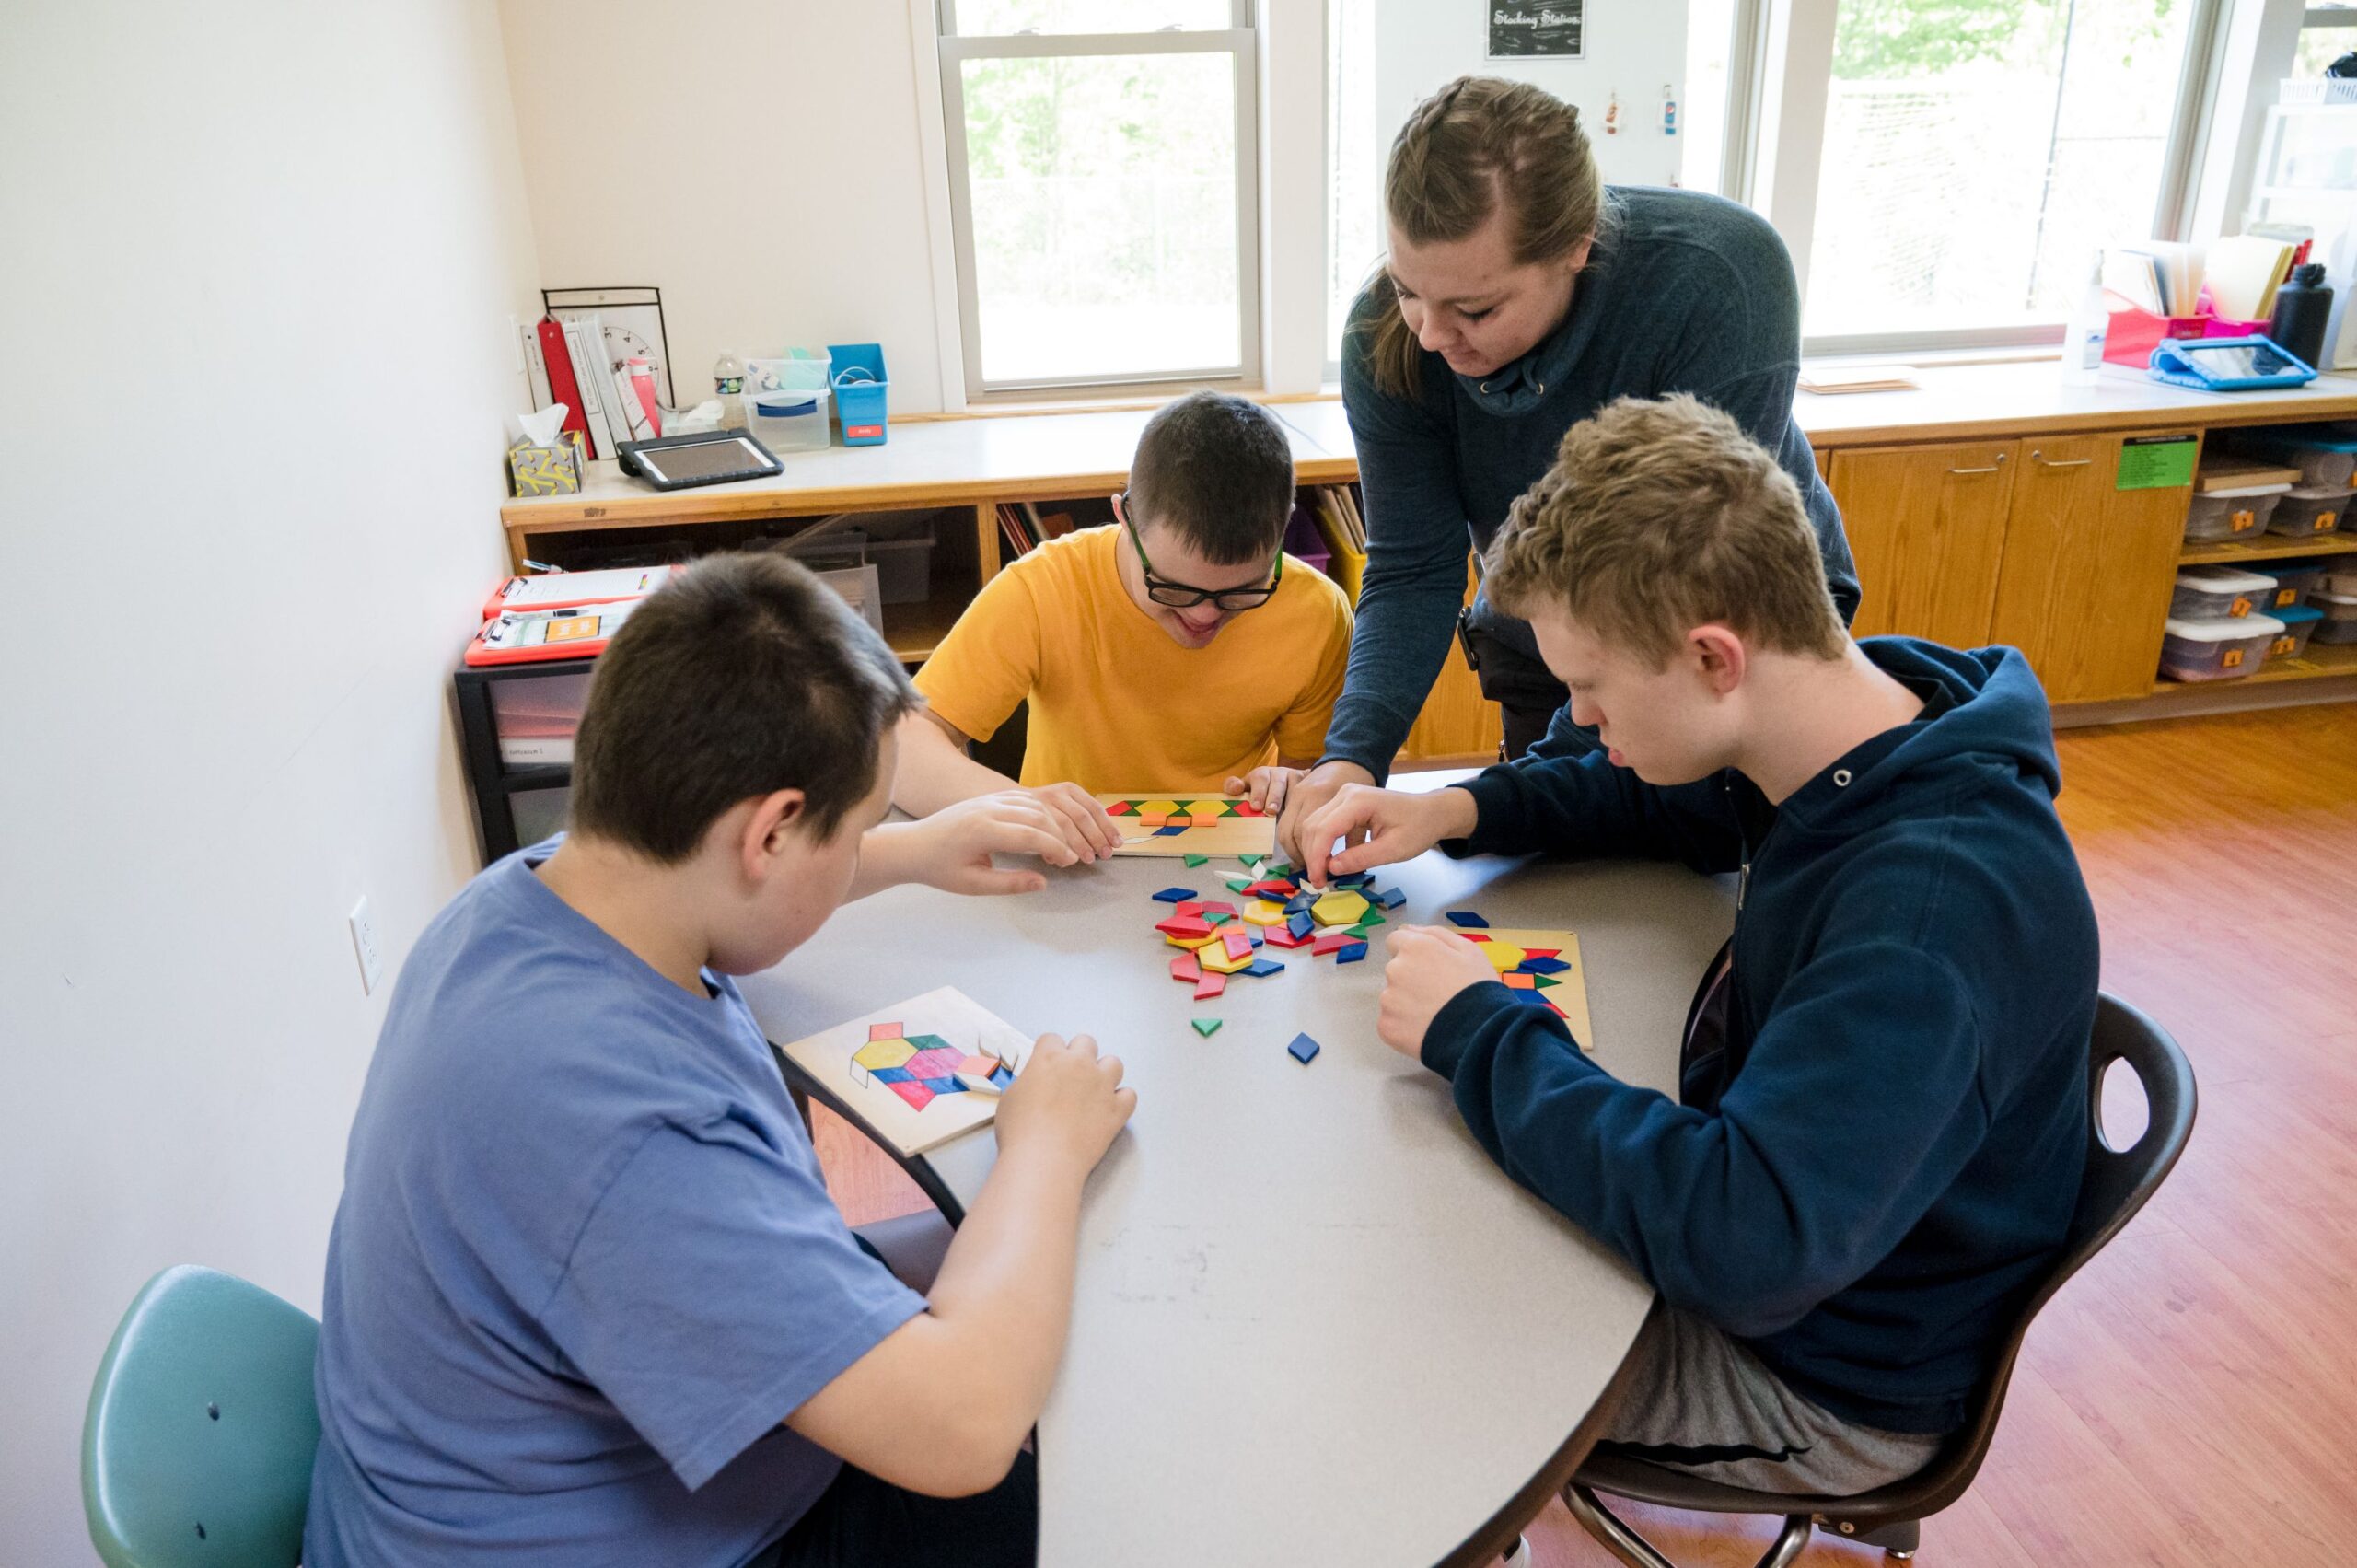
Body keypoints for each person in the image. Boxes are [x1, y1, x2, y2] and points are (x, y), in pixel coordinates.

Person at [1297, 395, 2095, 1494]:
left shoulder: (1924, 920)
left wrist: (1481, 1030)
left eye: (1588, 688)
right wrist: (1462, 810)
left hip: (1819, 1376)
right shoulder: (1854, 726)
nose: (1576, 719)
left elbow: (1745, 1242)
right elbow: (1677, 801)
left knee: (1378, 1350)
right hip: (1792, 1223)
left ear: (1713, 656)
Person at [305, 552, 1137, 1567]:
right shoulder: (628, 1139)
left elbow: (726, 885)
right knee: (1039, 1460)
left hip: (485, 1493)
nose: (861, 849)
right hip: (606, 1539)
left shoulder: (517, 901)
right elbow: (963, 1428)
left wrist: (908, 850)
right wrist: (1043, 1148)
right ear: (773, 830)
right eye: (860, 826)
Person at [1280, 75, 1861, 866]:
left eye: (1476, 310)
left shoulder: (1719, 277)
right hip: (1549, 640)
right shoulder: (1390, 338)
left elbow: (1698, 568)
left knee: (1707, 864)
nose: (1429, 335)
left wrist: (1489, 799)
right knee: (1568, 879)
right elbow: (1414, 568)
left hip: (1721, 626)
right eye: (1409, 290)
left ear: (1575, 247)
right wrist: (1353, 756)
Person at [894, 390, 1354, 845]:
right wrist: (1024, 808)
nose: (1204, 614)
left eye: (1242, 591)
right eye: (1172, 587)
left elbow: (1313, 777)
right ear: (1124, 518)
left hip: (1232, 858)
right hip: (1071, 857)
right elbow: (901, 748)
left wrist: (1291, 785)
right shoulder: (1044, 587)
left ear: (1283, 531)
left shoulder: (1317, 611)